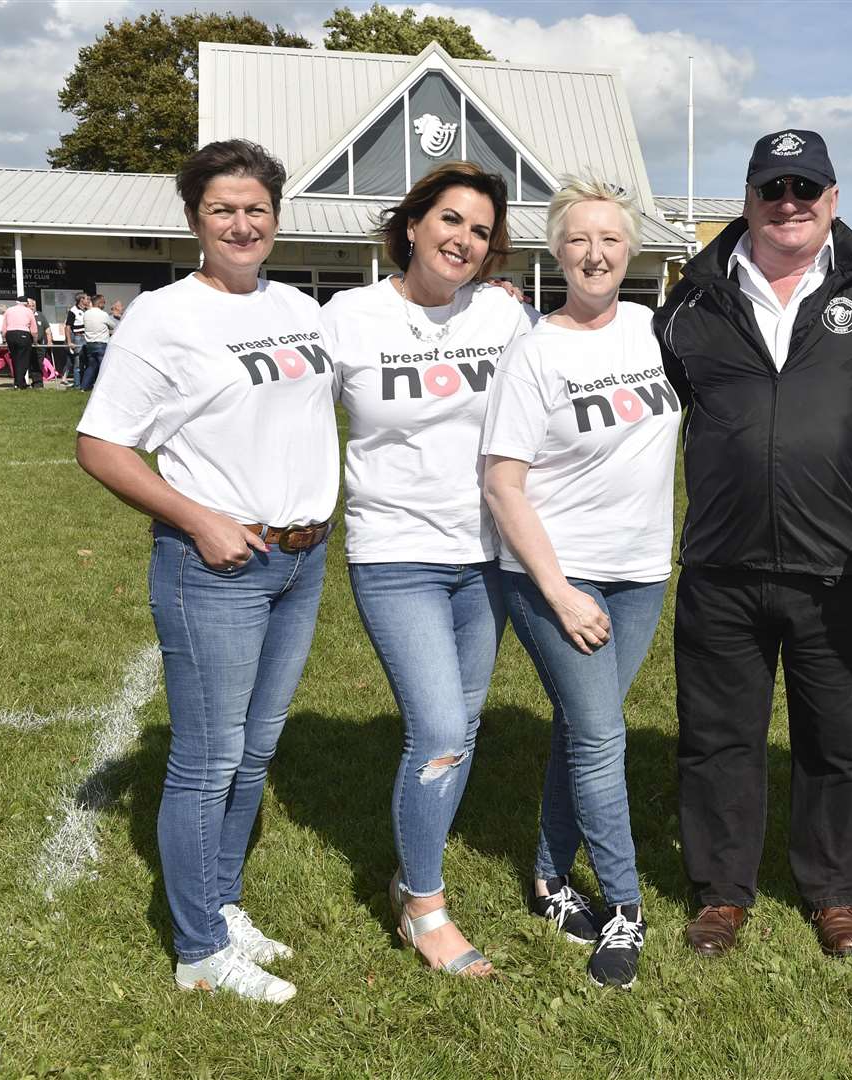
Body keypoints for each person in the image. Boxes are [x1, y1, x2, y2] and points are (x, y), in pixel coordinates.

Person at [652, 130, 852, 958]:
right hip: (721, 563)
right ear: (746, 199)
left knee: (839, 742)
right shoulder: (690, 302)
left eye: (805, 188)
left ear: (833, 201)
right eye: (772, 188)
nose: (789, 204)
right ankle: (721, 893)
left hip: (838, 564)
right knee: (716, 740)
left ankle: (835, 893)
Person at [76, 139, 338, 1003]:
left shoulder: (299, 305)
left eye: (256, 208)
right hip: (216, 563)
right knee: (208, 757)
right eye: (222, 209)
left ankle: (222, 907)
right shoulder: (164, 316)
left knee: (256, 750)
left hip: (302, 560)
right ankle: (195, 949)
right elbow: (100, 444)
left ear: (276, 216)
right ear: (196, 220)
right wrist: (198, 519)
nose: (241, 223)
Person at [319, 162, 535, 978]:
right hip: (394, 552)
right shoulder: (349, 317)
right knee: (440, 729)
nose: (463, 240)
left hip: (485, 556)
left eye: (480, 231)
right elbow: (288, 410)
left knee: (462, 726)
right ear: (411, 226)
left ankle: (412, 869)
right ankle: (423, 905)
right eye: (449, 220)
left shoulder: (503, 318)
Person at [483, 176, 681, 988]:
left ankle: (547, 877)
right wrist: (560, 592)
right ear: (556, 252)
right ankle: (626, 908)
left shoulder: (652, 327)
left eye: (609, 239)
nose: (595, 253)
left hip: (641, 575)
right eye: (578, 240)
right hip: (556, 579)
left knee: (577, 728)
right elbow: (502, 483)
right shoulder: (534, 352)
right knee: (601, 737)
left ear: (629, 249)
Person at [0, 295, 39, 390]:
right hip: (23, 334)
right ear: (26, 303)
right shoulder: (29, 311)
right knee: (24, 360)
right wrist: (35, 340)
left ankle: (19, 383)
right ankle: (18, 383)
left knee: (15, 359)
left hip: (10, 335)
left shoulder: (9, 310)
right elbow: (34, 329)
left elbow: (4, 327)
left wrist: (4, 338)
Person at [80, 294, 115, 390]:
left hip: (90, 344)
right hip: (101, 344)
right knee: (104, 367)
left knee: (91, 367)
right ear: (99, 303)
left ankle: (83, 387)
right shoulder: (103, 314)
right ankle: (107, 388)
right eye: (103, 302)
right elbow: (113, 326)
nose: (104, 304)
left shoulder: (86, 314)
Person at [65, 293, 89, 385]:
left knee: (87, 361)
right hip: (78, 337)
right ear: (81, 300)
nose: (88, 300)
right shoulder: (73, 311)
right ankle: (77, 385)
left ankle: (86, 383)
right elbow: (67, 327)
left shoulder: (87, 310)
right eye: (86, 299)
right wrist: (69, 341)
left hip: (87, 337)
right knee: (78, 362)